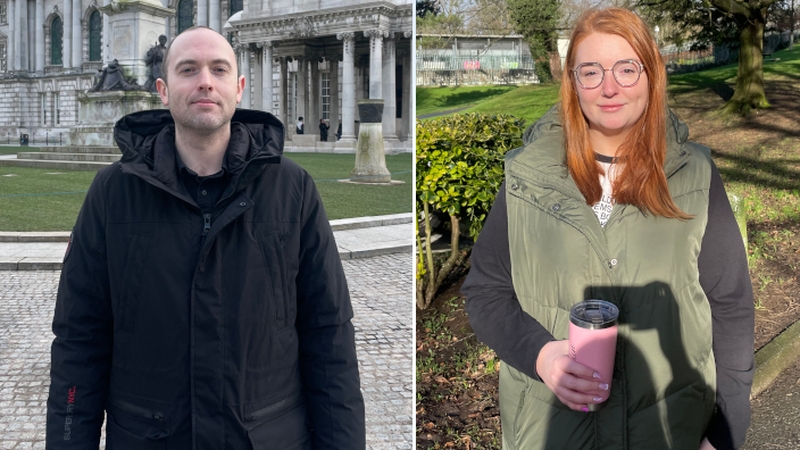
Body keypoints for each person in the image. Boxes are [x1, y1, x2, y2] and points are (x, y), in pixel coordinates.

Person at [46, 26, 365, 449]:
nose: (205, 82)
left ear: (239, 87)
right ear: (162, 90)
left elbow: (329, 334)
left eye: (218, 69)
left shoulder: (294, 188)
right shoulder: (111, 193)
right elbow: (80, 341)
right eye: (188, 69)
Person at [462, 8, 753, 450]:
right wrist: (541, 355)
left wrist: (726, 429)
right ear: (573, 83)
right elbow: (486, 291)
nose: (609, 87)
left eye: (626, 68)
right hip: (552, 432)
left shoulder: (694, 174)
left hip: (671, 430)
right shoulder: (527, 177)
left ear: (651, 75)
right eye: (591, 71)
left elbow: (730, 304)